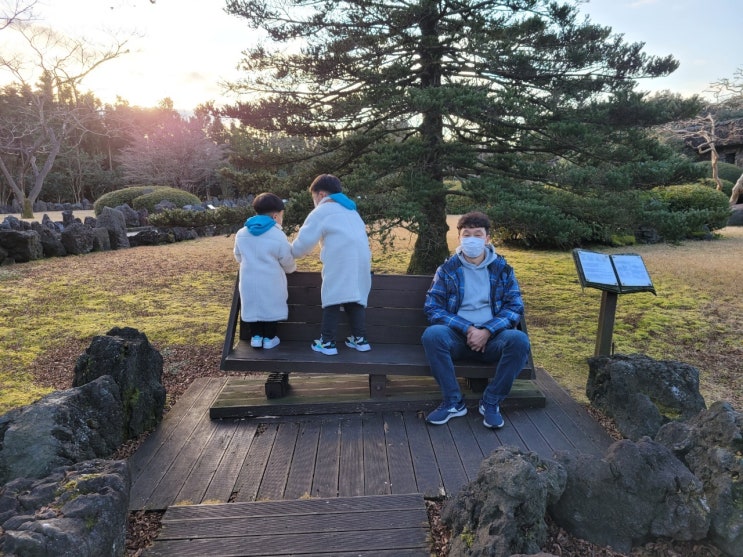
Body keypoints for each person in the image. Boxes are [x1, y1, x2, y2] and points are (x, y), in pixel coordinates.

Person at [422, 211, 530, 428]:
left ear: (487, 238)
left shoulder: (503, 269)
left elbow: (515, 306)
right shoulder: (447, 270)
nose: (472, 239)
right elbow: (433, 307)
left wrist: (487, 331)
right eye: (467, 235)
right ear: (459, 238)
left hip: (494, 339)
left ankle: (491, 401)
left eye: (477, 234)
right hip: (457, 338)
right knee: (432, 335)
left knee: (519, 341)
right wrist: (468, 329)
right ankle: (453, 402)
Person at [291, 174, 372, 355]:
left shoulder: (322, 211)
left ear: (321, 194)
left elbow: (303, 244)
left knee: (332, 298)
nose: (314, 202)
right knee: (356, 297)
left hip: (340, 260)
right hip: (361, 261)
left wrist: (290, 253)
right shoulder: (352, 211)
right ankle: (361, 340)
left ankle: (327, 342)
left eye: (313, 198)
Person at [233, 192, 296, 350]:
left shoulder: (241, 233)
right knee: (271, 307)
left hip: (248, 280)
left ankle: (256, 337)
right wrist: (291, 269)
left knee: (253, 305)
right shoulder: (278, 235)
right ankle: (269, 338)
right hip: (271, 281)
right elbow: (287, 261)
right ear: (275, 216)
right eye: (281, 215)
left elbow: (238, 256)